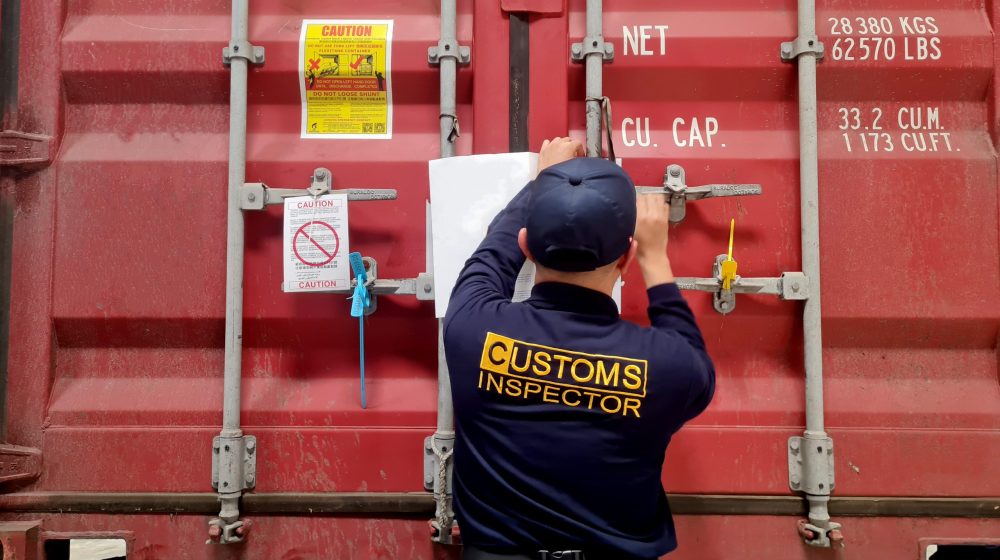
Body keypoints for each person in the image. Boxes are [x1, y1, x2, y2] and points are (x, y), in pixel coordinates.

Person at [443, 137, 716, 560]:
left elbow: (491, 256)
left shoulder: (472, 329)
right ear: (627, 257)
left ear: (527, 248)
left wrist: (541, 182)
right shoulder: (668, 367)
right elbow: (693, 354)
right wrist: (656, 259)